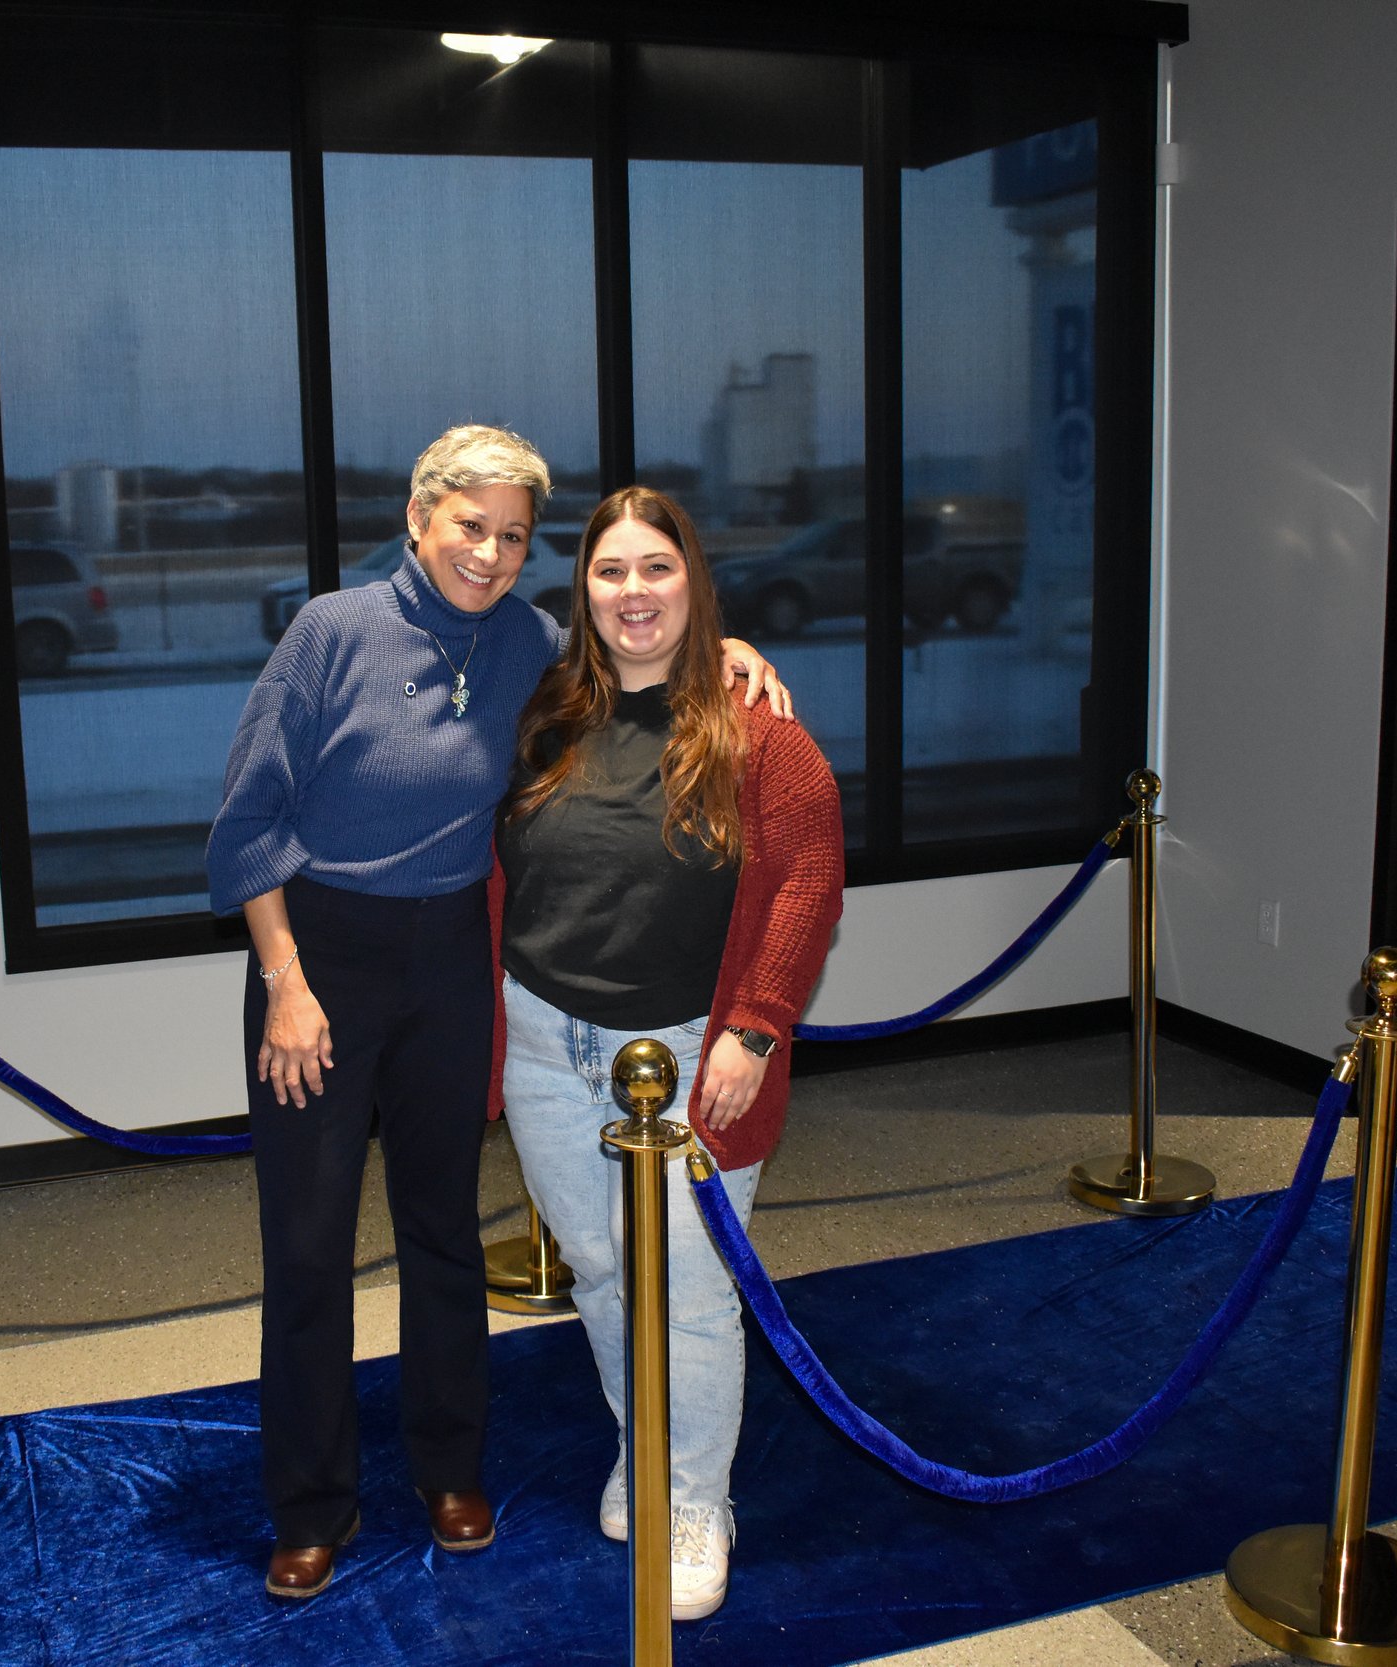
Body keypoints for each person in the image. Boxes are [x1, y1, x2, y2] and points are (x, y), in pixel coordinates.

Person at [206, 428, 790, 1600]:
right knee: (311, 1245)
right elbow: (247, 820)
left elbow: (639, 644)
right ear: (418, 517)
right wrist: (284, 983)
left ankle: (448, 1468)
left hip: (449, 963)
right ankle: (312, 1504)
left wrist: (731, 646)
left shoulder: (530, 643)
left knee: (440, 1231)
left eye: (514, 534)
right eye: (470, 524)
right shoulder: (331, 631)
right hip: (316, 960)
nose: (489, 550)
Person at [492, 484, 844, 1620]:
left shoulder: (758, 731)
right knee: (600, 1270)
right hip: (547, 1047)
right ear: (581, 590)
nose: (632, 591)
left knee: (688, 1292)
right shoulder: (545, 707)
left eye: (656, 569)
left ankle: (696, 1498)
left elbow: (807, 877)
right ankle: (642, 1448)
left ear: (692, 582)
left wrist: (754, 1026)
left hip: (690, 1058)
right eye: (609, 571)